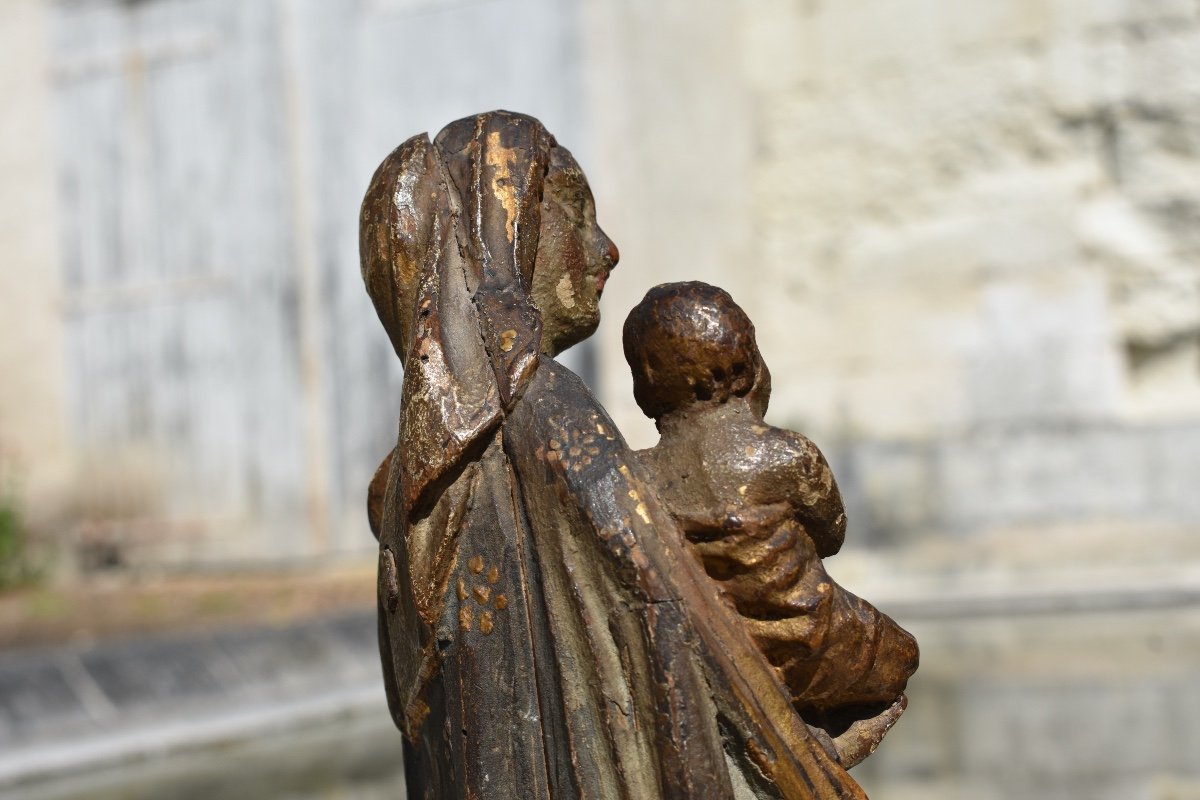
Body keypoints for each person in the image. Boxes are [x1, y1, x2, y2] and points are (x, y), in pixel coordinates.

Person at [361, 111, 886, 799]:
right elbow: (679, 624)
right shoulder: (548, 411)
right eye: (576, 218)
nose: (606, 250)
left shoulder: (414, 473)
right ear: (508, 243)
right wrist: (805, 771)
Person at [624, 281, 918, 765]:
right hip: (812, 639)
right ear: (748, 364)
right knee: (901, 658)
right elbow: (831, 535)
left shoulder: (634, 474)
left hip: (713, 653)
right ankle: (827, 753)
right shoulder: (786, 454)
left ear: (646, 385)